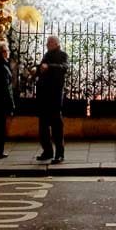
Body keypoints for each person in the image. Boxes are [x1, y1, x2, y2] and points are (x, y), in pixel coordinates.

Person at [35, 34, 68, 164]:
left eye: (49, 43)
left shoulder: (62, 55)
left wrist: (49, 67)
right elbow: (41, 67)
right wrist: (36, 70)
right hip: (44, 96)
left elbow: (64, 68)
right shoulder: (47, 55)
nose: (47, 45)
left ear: (56, 44)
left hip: (54, 95)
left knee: (56, 127)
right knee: (43, 127)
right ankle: (47, 151)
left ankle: (59, 153)